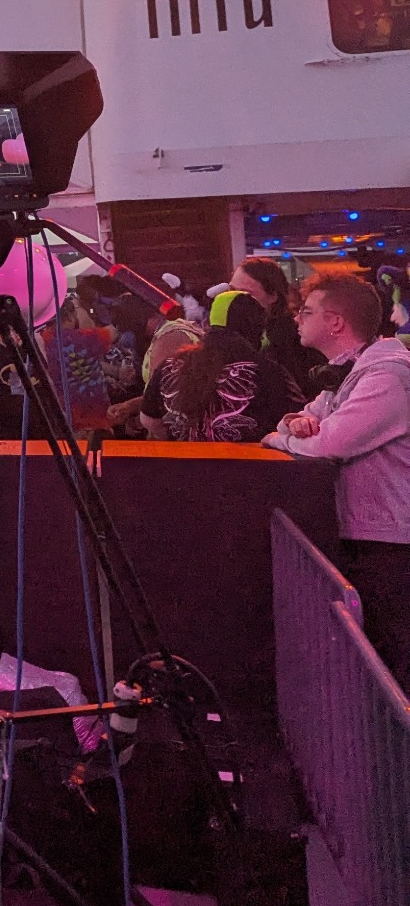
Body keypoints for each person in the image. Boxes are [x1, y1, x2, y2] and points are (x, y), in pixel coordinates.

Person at [264, 275, 410, 684]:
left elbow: (331, 443)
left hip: (393, 539)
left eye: (306, 312)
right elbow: (300, 418)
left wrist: (278, 438)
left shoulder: (386, 378)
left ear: (335, 322)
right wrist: (294, 424)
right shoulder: (351, 373)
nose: (297, 319)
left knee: (394, 661)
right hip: (374, 531)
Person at [138, 291, 301, 442]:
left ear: (210, 323)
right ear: (257, 329)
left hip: (185, 462)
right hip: (249, 462)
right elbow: (296, 419)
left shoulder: (171, 365)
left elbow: (148, 420)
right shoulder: (270, 371)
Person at [231, 257, 327, 394]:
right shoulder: (230, 334)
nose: (233, 299)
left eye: (245, 293)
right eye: (231, 291)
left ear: (272, 296)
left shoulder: (296, 338)